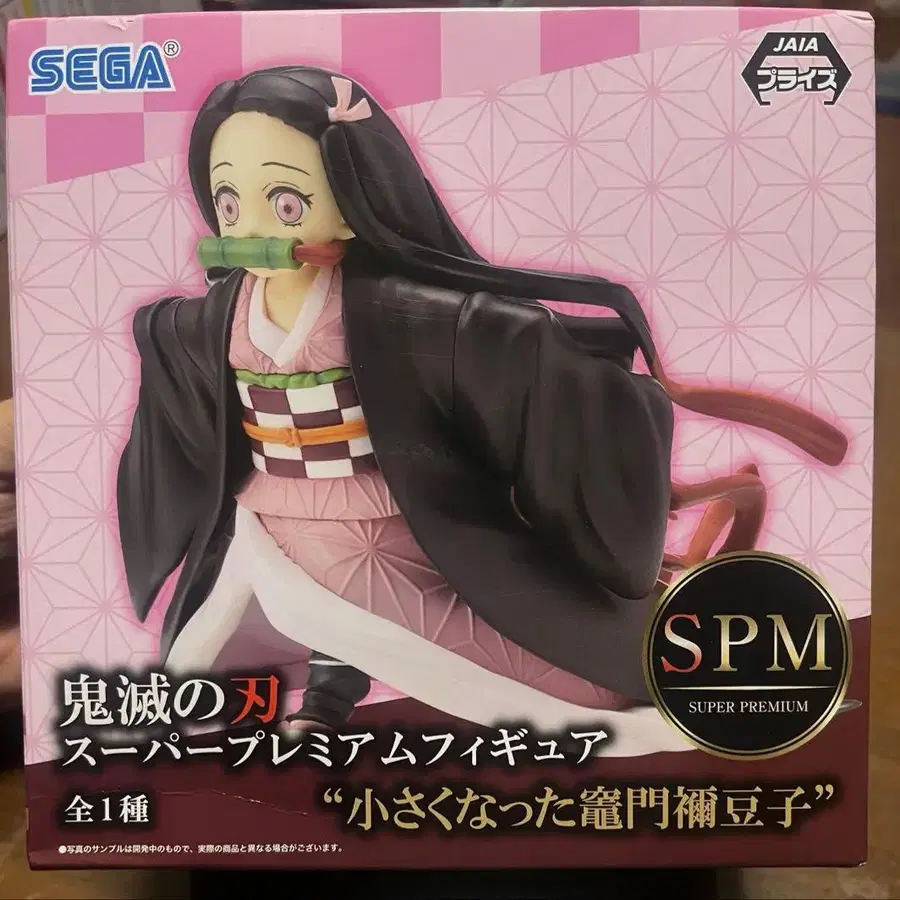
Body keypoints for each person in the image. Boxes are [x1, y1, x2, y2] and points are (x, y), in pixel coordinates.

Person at [117, 66, 848, 755]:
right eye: (229, 202)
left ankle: (346, 682)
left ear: (355, 196)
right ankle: (328, 686)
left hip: (394, 519)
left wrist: (587, 376)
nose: (250, 226)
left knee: (580, 689)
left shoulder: (399, 313)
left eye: (285, 203)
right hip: (265, 519)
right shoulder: (207, 322)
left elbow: (500, 341)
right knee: (196, 671)